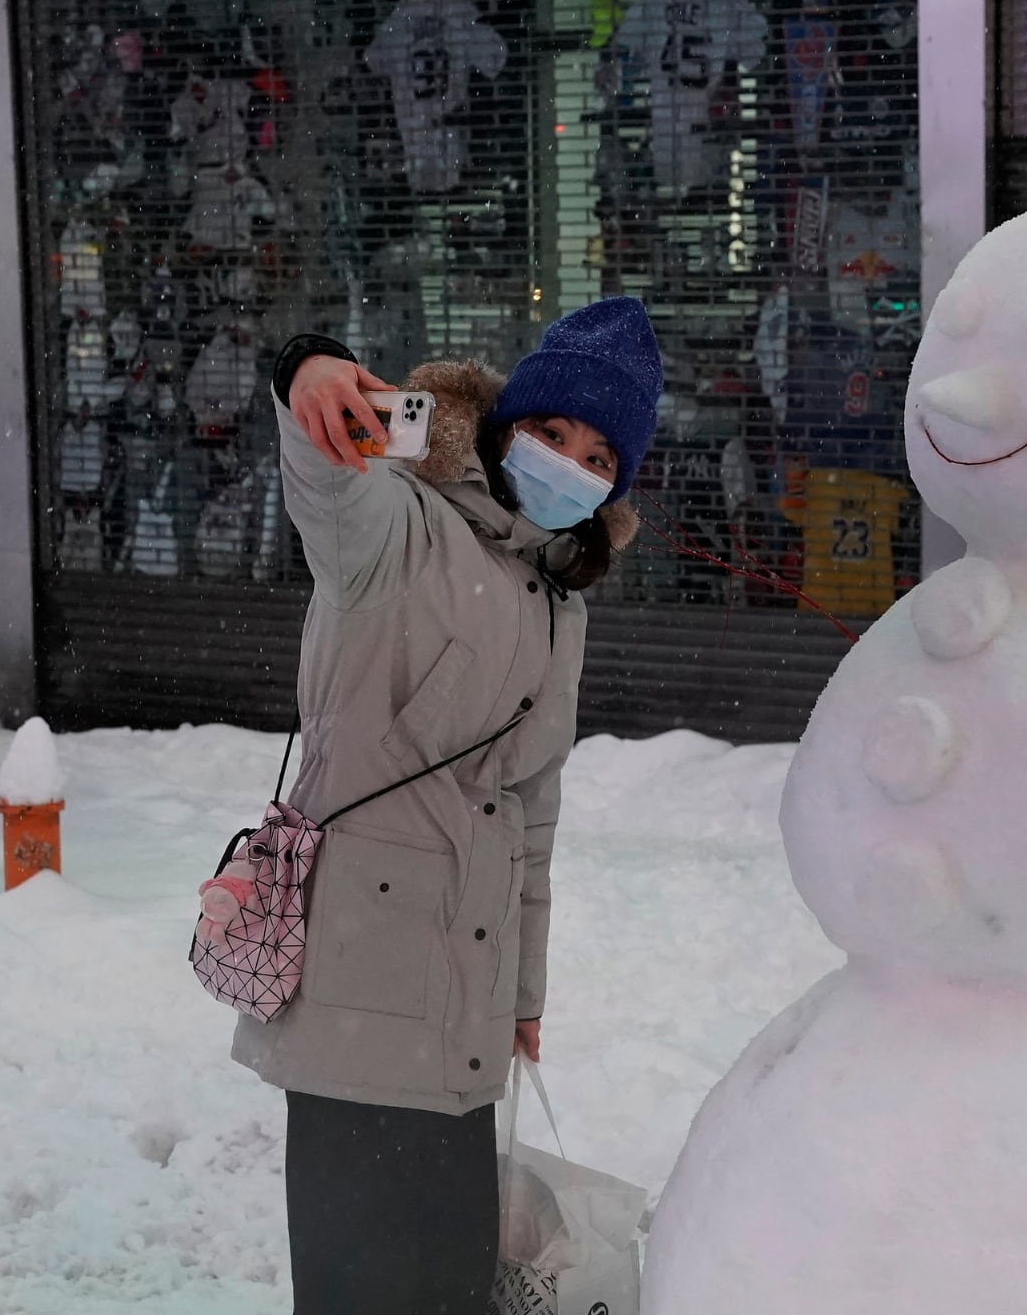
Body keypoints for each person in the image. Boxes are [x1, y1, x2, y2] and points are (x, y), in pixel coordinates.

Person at [240, 297, 661, 1314]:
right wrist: (311, 369)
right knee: (359, 1293)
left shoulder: (558, 600)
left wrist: (522, 991)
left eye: (599, 455)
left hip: (466, 1003)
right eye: (552, 431)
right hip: (359, 988)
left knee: (451, 1287)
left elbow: (532, 812)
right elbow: (330, 484)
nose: (569, 463)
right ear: (507, 425)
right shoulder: (402, 527)